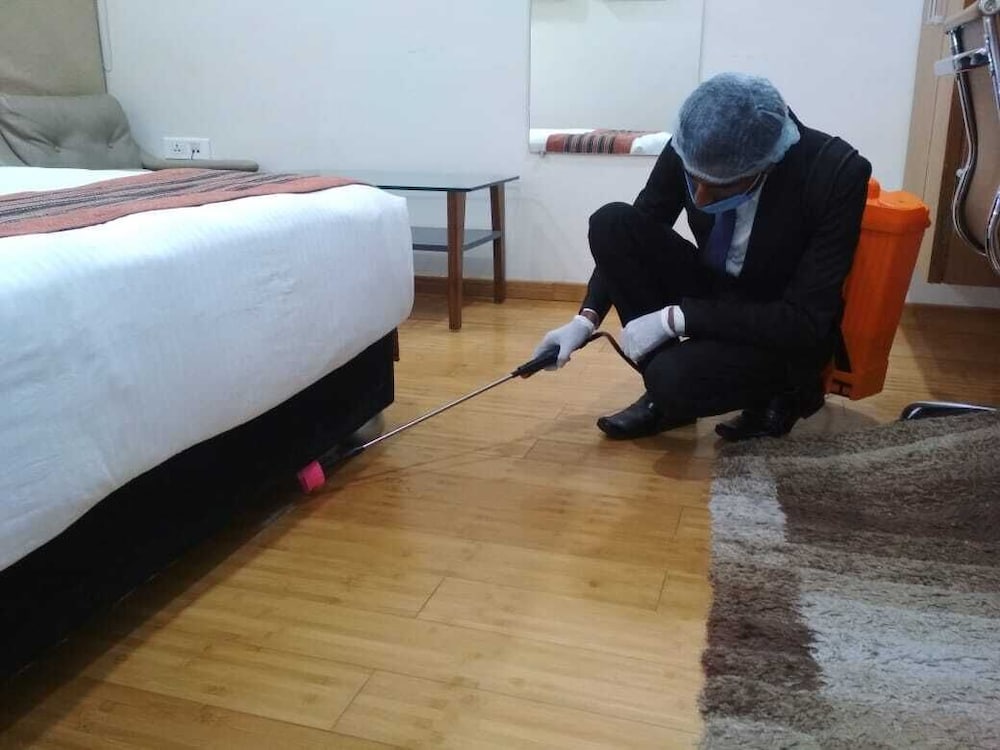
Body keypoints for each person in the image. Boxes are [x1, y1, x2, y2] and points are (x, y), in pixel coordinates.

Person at [533, 72, 872, 441]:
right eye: (694, 179)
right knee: (611, 223)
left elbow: (805, 321)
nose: (701, 197)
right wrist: (585, 318)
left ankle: (780, 394)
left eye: (720, 186)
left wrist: (677, 318)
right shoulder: (694, 142)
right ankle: (669, 396)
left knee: (674, 378)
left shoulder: (835, 172)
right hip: (719, 288)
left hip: (780, 326)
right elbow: (643, 220)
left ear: (766, 166)